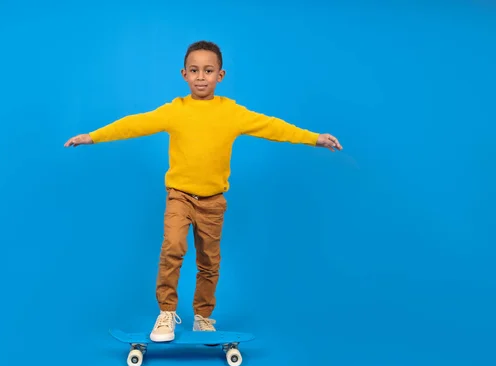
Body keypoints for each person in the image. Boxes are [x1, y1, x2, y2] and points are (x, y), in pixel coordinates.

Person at [64, 40, 342, 342]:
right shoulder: (175, 110)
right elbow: (135, 124)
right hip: (179, 196)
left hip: (213, 201)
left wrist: (315, 138)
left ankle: (203, 317)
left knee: (209, 262)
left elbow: (273, 127)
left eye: (208, 71)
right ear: (184, 74)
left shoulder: (232, 113)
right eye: (194, 70)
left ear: (220, 76)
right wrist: (92, 137)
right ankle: (166, 313)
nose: (200, 76)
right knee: (172, 247)